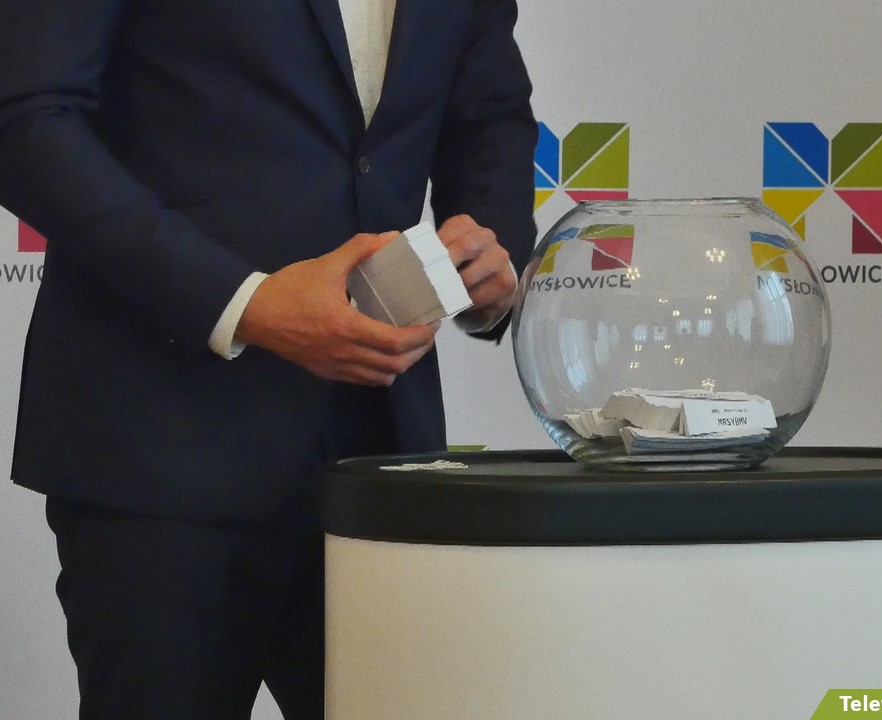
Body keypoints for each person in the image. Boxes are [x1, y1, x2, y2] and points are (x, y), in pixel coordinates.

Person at [0, 0, 536, 718]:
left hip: (381, 463)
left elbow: (490, 114)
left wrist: (488, 251)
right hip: (159, 449)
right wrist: (242, 302)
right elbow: (27, 119)